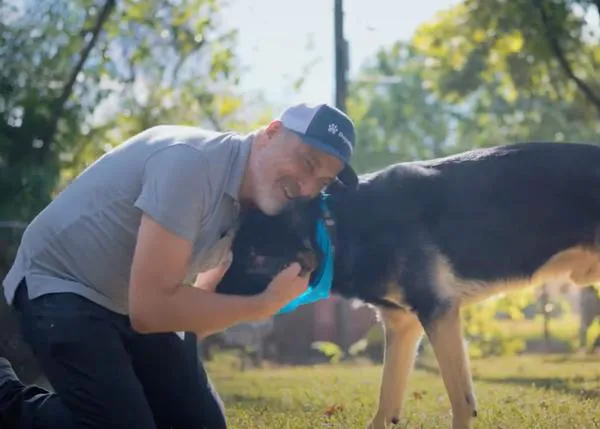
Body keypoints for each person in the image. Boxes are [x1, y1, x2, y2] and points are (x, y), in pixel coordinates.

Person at [0, 102, 358, 429]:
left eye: (322, 182)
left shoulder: (259, 204)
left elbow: (196, 302)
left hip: (128, 302)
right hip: (62, 283)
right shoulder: (192, 164)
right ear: (271, 133)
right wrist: (263, 305)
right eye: (307, 162)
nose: (307, 186)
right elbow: (152, 309)